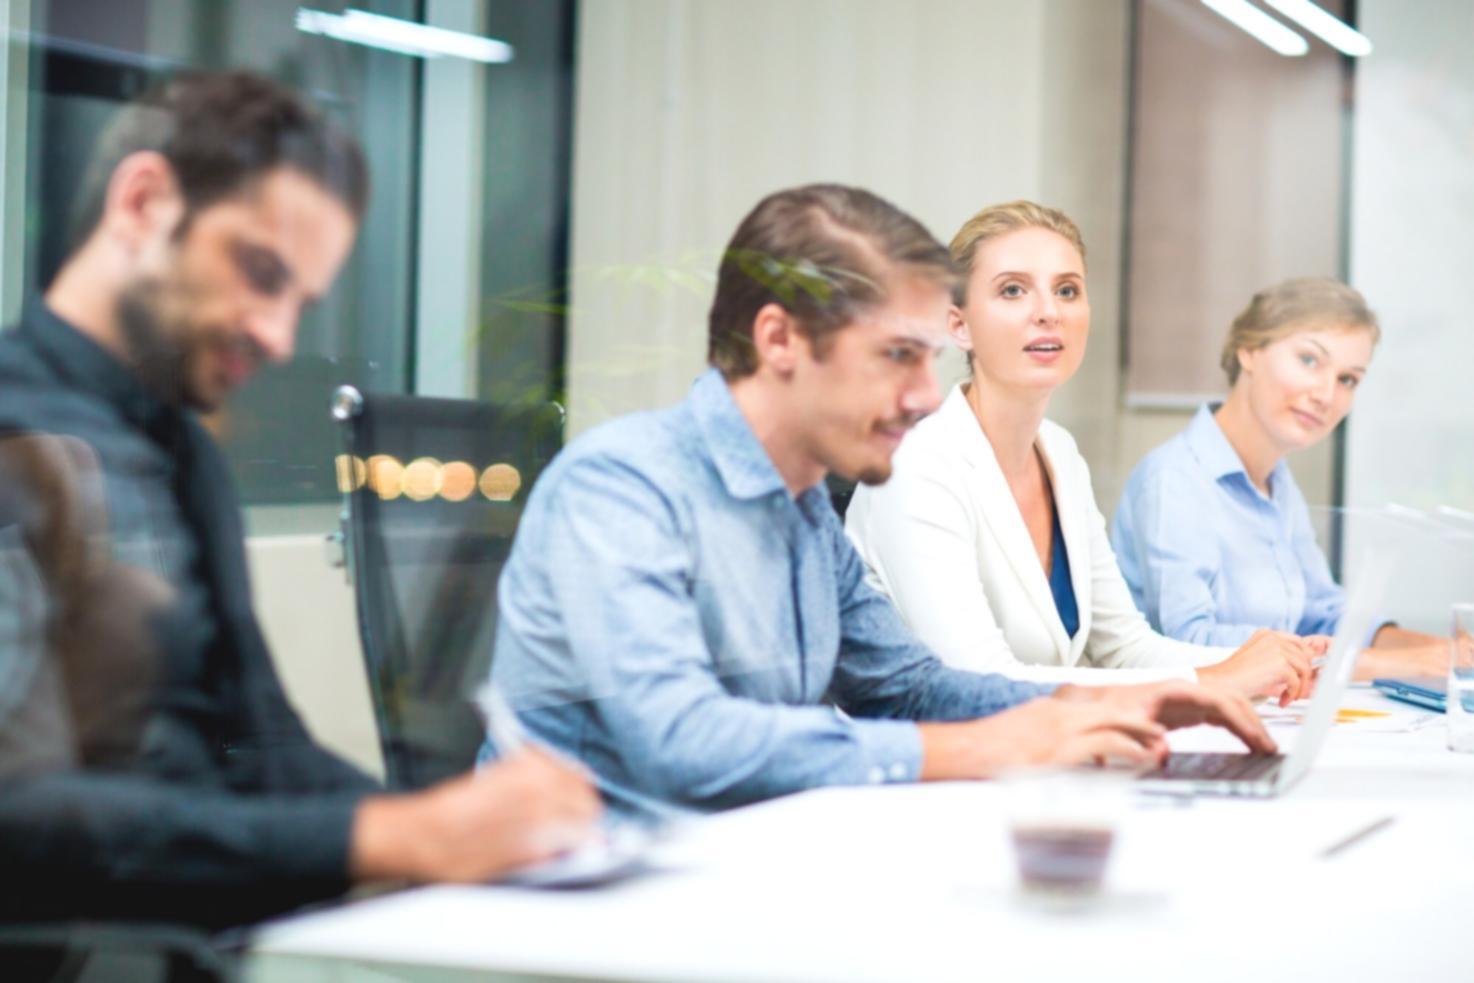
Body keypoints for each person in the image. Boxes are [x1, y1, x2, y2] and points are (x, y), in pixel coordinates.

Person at [0, 71, 599, 932]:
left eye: (300, 302)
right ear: (143, 203)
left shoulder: (183, 453)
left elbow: (266, 746)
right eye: (259, 271)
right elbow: (18, 818)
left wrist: (466, 837)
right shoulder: (20, 435)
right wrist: (391, 835)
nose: (279, 336)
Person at [486, 184, 1275, 818]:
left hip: (736, 868)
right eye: (897, 356)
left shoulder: (798, 510)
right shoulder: (621, 489)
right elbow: (685, 742)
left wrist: (1090, 704)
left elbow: (910, 687)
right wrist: (991, 745)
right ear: (780, 341)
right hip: (591, 900)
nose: (925, 393)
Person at [844, 200, 1319, 699]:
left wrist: (1263, 662)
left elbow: (1125, 647)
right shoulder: (915, 465)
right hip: (926, 766)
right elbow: (975, 680)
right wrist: (1215, 680)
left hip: (1040, 754)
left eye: (1067, 290)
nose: (1049, 312)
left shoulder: (1060, 453)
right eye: (1012, 290)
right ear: (958, 325)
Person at [1111, 277, 1447, 678]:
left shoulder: (1278, 484)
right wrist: (1387, 663)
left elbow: (1322, 617)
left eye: (1347, 380)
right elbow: (1189, 642)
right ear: (1249, 350)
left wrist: (1444, 650)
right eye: (1309, 360)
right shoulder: (1175, 480)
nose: (1326, 394)